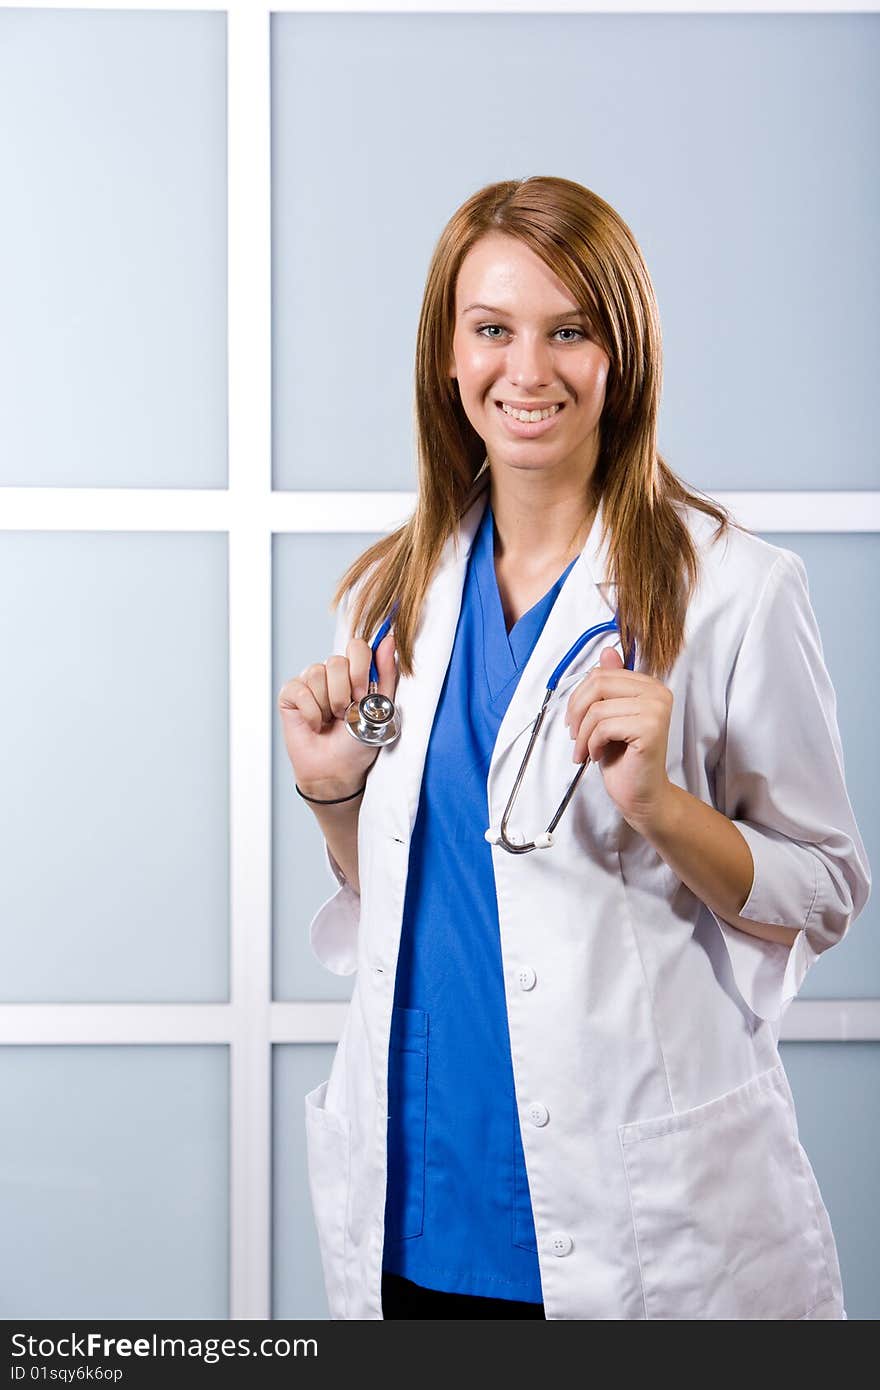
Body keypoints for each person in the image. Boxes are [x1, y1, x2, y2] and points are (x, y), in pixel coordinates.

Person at [278, 176, 871, 1321]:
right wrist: (327, 793)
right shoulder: (387, 596)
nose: (527, 369)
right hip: (414, 1205)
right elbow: (406, 890)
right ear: (447, 360)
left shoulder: (737, 591)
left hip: (642, 1233)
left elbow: (830, 886)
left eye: (569, 331)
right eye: (492, 330)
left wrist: (663, 806)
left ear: (621, 353)